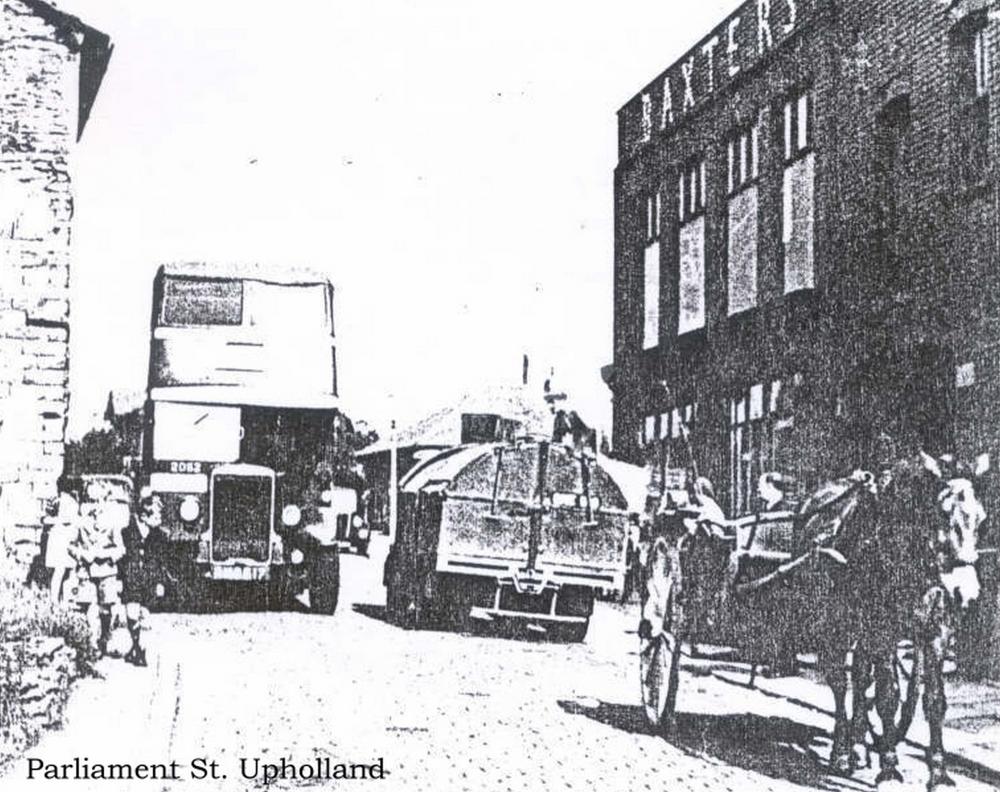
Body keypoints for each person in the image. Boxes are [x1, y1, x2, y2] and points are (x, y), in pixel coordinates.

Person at [72, 481, 128, 656]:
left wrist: (105, 554)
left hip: (106, 571)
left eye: (99, 501)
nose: (94, 506)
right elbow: (71, 546)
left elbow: (121, 549)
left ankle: (104, 637)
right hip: (87, 571)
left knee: (106, 608)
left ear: (105, 501)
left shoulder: (112, 524)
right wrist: (82, 554)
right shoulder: (81, 523)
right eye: (90, 500)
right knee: (88, 606)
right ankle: (91, 642)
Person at [120, 487, 161, 666]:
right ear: (144, 516)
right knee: (132, 614)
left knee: (144, 615)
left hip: (148, 579)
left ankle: (138, 649)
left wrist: (159, 582)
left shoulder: (157, 535)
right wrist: (120, 579)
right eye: (156, 517)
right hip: (132, 577)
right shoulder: (128, 531)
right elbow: (122, 557)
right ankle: (136, 647)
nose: (159, 520)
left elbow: (159, 561)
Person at [43, 491, 80, 602]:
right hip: (61, 539)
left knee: (70, 570)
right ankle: (55, 600)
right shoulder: (65, 499)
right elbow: (67, 518)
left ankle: (66, 599)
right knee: (60, 570)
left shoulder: (70, 499)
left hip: (67, 538)